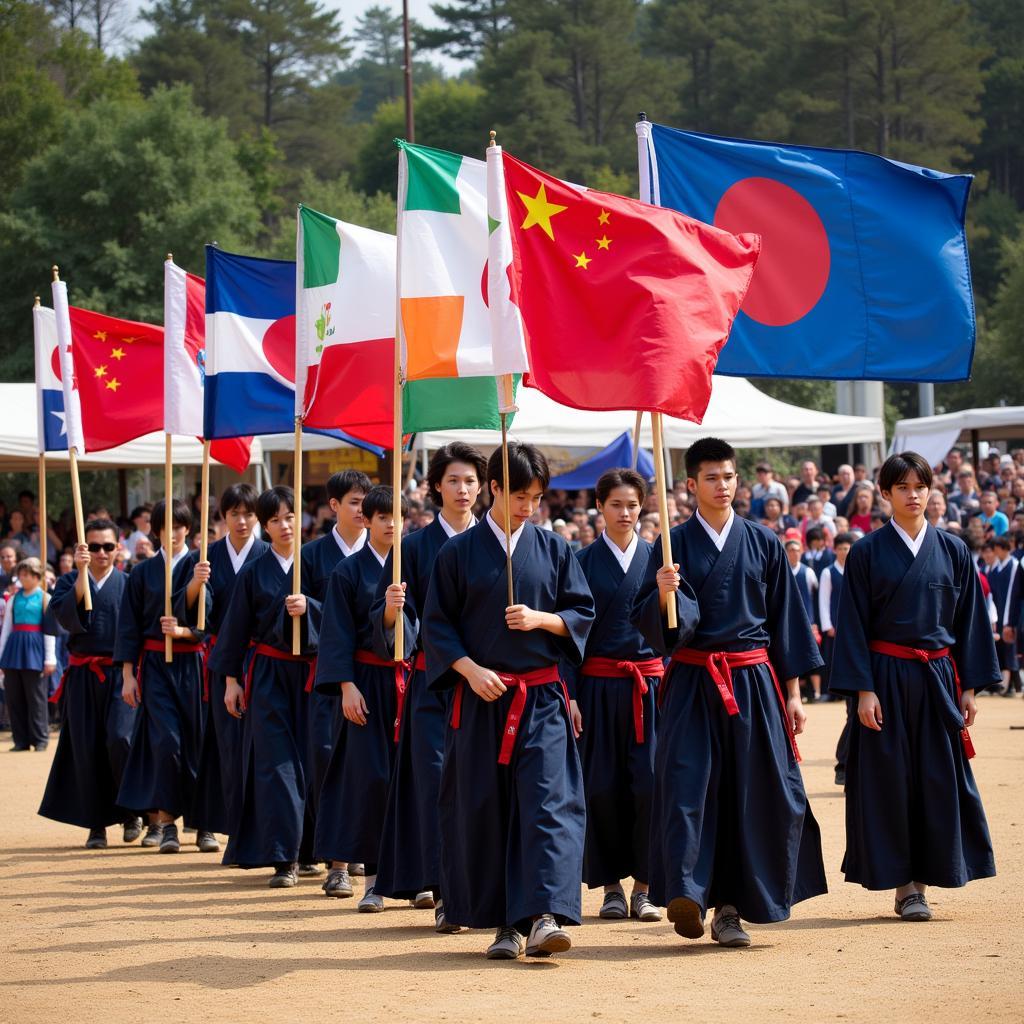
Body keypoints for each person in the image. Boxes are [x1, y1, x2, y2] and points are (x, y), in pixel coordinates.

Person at [633, 436, 827, 948]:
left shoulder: (763, 542)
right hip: (694, 680)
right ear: (691, 485)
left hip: (753, 682)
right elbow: (658, 630)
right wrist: (663, 595)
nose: (723, 486)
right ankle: (688, 895)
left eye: (729, 476)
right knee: (686, 786)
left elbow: (788, 621)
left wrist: (794, 694)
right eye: (712, 478)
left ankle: (732, 910)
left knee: (752, 791)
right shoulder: (671, 546)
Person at [421, 442, 595, 960]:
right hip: (481, 700)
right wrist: (470, 671)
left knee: (546, 804)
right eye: (520, 495)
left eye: (537, 497)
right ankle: (505, 924)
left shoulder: (555, 548)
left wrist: (541, 618)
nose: (529, 507)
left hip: (540, 699)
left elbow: (582, 612)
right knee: (488, 808)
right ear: (494, 487)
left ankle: (542, 916)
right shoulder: (456, 554)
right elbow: (435, 627)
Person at [829, 451, 999, 921]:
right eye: (902, 487)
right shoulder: (865, 552)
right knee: (890, 782)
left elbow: (970, 625)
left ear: (931, 491)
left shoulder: (953, 550)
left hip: (938, 678)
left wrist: (970, 687)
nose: (913, 495)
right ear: (884, 494)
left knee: (935, 779)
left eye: (920, 486)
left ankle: (923, 882)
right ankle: (904, 885)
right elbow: (853, 625)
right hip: (884, 678)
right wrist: (863, 690)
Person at [372, 443, 486, 932]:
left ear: (484, 487)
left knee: (481, 789)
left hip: (488, 687)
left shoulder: (500, 543)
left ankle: (485, 888)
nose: (463, 490)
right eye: (454, 480)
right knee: (438, 787)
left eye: (470, 481)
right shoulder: (412, 548)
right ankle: (444, 892)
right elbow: (392, 630)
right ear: (435, 485)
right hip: (432, 687)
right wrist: (393, 609)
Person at [209, 486, 322, 887]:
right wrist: (230, 680)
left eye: (290, 517)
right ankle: (283, 857)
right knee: (276, 764)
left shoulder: (318, 564)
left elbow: (341, 617)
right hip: (269, 674)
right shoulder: (255, 572)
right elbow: (234, 629)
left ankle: (314, 850)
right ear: (265, 525)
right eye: (275, 520)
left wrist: (313, 608)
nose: (284, 526)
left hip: (312, 676)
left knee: (315, 760)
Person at [567, 468, 664, 924]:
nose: (625, 513)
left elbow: (679, 627)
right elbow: (567, 635)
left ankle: (644, 887)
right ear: (600, 508)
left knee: (649, 785)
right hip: (598, 686)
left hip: (650, 686)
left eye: (632, 505)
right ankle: (610, 886)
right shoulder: (581, 562)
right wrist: (569, 693)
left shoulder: (661, 560)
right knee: (601, 787)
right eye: (616, 505)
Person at [314, 486, 406, 911]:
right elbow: (335, 634)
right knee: (370, 778)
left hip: (409, 682)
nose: (390, 523)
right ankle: (372, 880)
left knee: (413, 779)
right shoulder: (348, 572)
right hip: (365, 682)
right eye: (382, 516)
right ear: (366, 520)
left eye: (397, 516)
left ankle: (416, 877)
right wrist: (346, 684)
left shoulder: (415, 564)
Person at [113, 498, 215, 855]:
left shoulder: (201, 564)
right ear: (153, 531)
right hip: (155, 665)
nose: (171, 534)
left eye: (178, 526)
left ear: (187, 528)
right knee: (166, 743)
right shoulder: (141, 572)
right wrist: (128, 674)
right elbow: (129, 626)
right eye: (164, 527)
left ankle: (204, 824)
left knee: (199, 742)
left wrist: (185, 632)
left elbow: (208, 623)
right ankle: (167, 822)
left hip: (194, 666)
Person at [38, 520, 141, 847]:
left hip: (120, 672)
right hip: (82, 674)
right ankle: (96, 824)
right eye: (93, 547)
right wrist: (81, 575)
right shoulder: (69, 580)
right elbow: (64, 620)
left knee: (120, 739)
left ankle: (130, 811)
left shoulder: (129, 583)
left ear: (118, 549)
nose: (101, 553)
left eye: (107, 547)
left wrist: (132, 674)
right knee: (87, 748)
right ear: (82, 550)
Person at [300, 469, 372, 875]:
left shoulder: (389, 553)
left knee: (372, 767)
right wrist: (303, 608)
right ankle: (336, 860)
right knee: (328, 763)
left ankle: (370, 853)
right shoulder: (310, 556)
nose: (362, 511)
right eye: (354, 502)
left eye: (366, 502)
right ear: (334, 506)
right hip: (328, 676)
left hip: (378, 675)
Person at [188, 484, 268, 844]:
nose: (241, 521)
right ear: (222, 518)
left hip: (264, 660)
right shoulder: (206, 556)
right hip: (221, 659)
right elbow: (190, 613)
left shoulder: (270, 554)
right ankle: (218, 823)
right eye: (234, 514)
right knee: (224, 743)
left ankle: (260, 828)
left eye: (248, 514)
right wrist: (195, 584)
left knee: (262, 745)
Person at [0, 557, 56, 752]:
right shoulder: (14, 598)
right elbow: (7, 628)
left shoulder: (44, 598)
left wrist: (50, 658)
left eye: (25, 574)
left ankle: (40, 738)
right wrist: (1, 656)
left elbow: (50, 630)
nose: (21, 578)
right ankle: (21, 740)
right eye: (20, 574)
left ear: (36, 576)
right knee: (14, 696)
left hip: (35, 648)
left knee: (36, 697)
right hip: (14, 648)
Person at [819, 532, 855, 785]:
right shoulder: (829, 572)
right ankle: (844, 764)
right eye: (841, 547)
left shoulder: (863, 569)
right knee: (855, 713)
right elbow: (823, 601)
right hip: (844, 640)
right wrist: (827, 625)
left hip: (867, 646)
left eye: (848, 547)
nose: (845, 551)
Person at [784, 530, 824, 702]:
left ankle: (815, 692)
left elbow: (816, 597)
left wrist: (814, 622)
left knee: (811, 655)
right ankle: (796, 695)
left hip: (807, 621)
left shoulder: (808, 572)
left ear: (801, 552)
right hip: (786, 622)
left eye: (797, 550)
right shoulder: (781, 569)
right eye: (791, 550)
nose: (794, 553)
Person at [986, 534, 1021, 694]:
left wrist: (1008, 620)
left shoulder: (1014, 565)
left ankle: (1009, 686)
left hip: (1008, 614)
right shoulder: (994, 567)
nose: (993, 552)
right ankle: (1010, 685)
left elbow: (1012, 595)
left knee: (1010, 649)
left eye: (995, 548)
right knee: (1000, 649)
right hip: (997, 615)